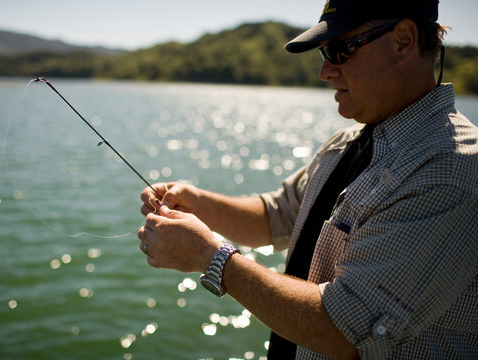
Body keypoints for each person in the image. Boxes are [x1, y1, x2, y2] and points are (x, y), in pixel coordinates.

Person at [138, 0, 478, 358]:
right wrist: (199, 203)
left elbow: (343, 330)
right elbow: (278, 216)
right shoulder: (348, 143)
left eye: (340, 50)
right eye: (323, 55)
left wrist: (212, 259)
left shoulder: (449, 169)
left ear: (404, 42)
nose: (326, 71)